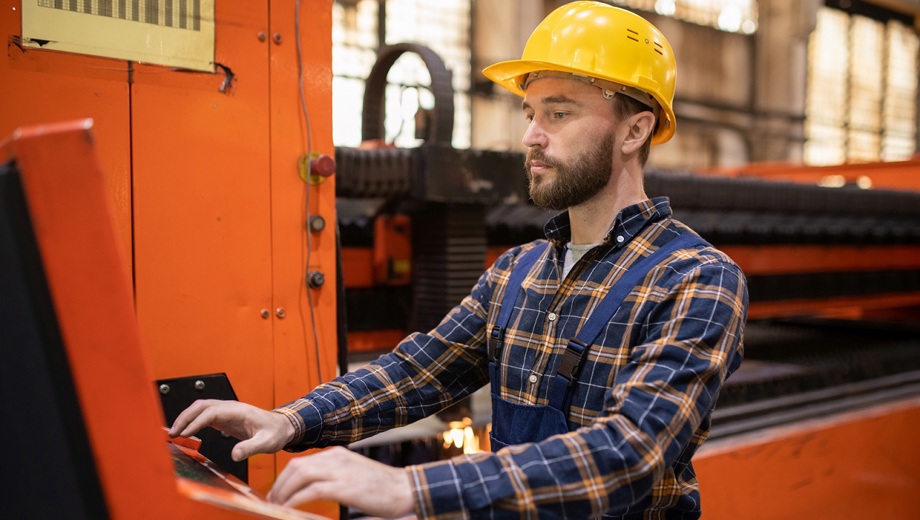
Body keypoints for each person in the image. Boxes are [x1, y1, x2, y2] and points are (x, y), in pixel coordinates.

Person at [169, 2, 748, 518]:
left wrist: (416, 490)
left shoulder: (697, 280)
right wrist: (291, 420)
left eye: (559, 113)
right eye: (530, 113)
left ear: (635, 129)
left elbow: (632, 452)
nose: (531, 136)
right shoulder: (517, 271)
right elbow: (419, 372)